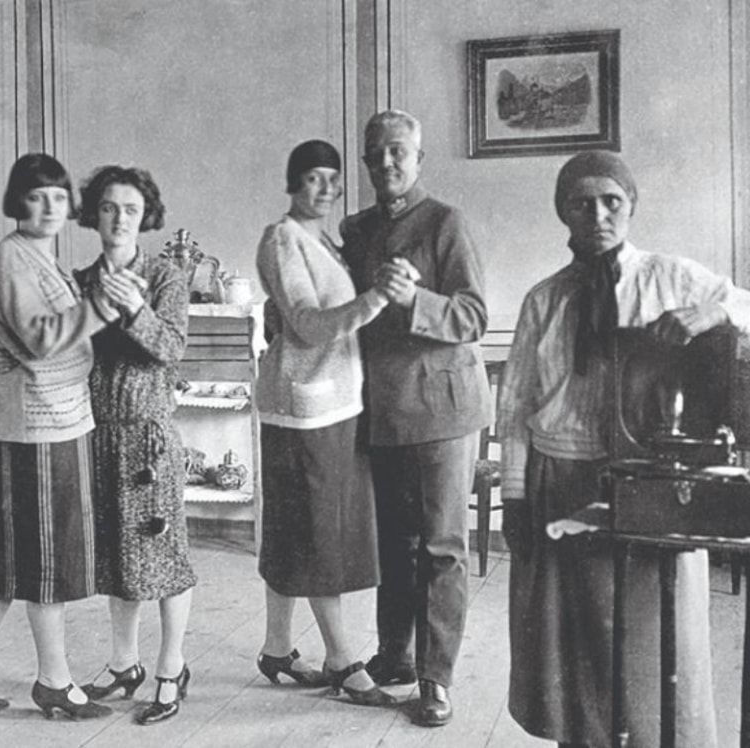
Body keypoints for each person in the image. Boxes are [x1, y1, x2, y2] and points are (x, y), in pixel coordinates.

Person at [498, 150, 750, 748]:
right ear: (563, 212)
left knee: (654, 640)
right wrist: (515, 496)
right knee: (574, 650)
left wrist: (710, 313)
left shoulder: (669, 278)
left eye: (611, 201)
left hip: (653, 488)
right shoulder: (545, 300)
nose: (598, 216)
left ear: (631, 206)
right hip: (560, 480)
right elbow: (515, 407)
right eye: (582, 204)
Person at [0, 153, 118, 719]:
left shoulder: (43, 258)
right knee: (46, 561)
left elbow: (48, 343)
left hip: (59, 419)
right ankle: (54, 682)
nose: (49, 206)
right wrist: (101, 307)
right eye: (36, 195)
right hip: (34, 428)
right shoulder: (9, 258)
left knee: (15, 562)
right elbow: (44, 340)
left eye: (58, 196)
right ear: (16, 202)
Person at [339, 110, 492, 727]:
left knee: (441, 547)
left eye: (398, 151)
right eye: (375, 153)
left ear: (419, 159)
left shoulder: (445, 222)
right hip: (382, 410)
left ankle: (436, 679)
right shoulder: (355, 230)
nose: (386, 162)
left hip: (443, 410)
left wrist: (415, 299)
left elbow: (474, 316)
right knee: (393, 545)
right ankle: (395, 657)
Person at [255, 139, 395, 708]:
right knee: (317, 535)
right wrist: (376, 299)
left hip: (332, 404)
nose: (326, 188)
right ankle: (342, 659)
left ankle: (277, 648)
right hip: (304, 410)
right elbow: (308, 325)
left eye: (334, 178)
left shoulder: (325, 243)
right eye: (314, 177)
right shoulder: (283, 238)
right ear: (293, 184)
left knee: (295, 529)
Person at [73, 165, 197, 726]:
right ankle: (124, 663)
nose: (119, 219)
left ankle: (172, 667)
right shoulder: (80, 279)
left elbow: (170, 347)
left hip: (149, 435)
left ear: (145, 216)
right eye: (108, 208)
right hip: (98, 431)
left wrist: (134, 309)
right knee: (116, 556)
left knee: (165, 557)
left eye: (130, 209)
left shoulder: (165, 275)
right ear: (93, 215)